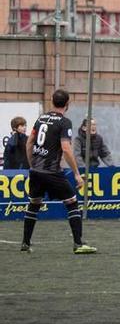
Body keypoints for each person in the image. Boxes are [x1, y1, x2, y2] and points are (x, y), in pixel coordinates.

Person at [20, 89, 96, 254]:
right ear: (67, 104)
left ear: (51, 100)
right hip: (52, 172)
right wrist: (76, 173)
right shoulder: (64, 122)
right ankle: (78, 244)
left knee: (34, 203)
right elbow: (66, 149)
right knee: (72, 202)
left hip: (36, 171)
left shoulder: (41, 119)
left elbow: (30, 142)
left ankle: (25, 243)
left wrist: (32, 163)